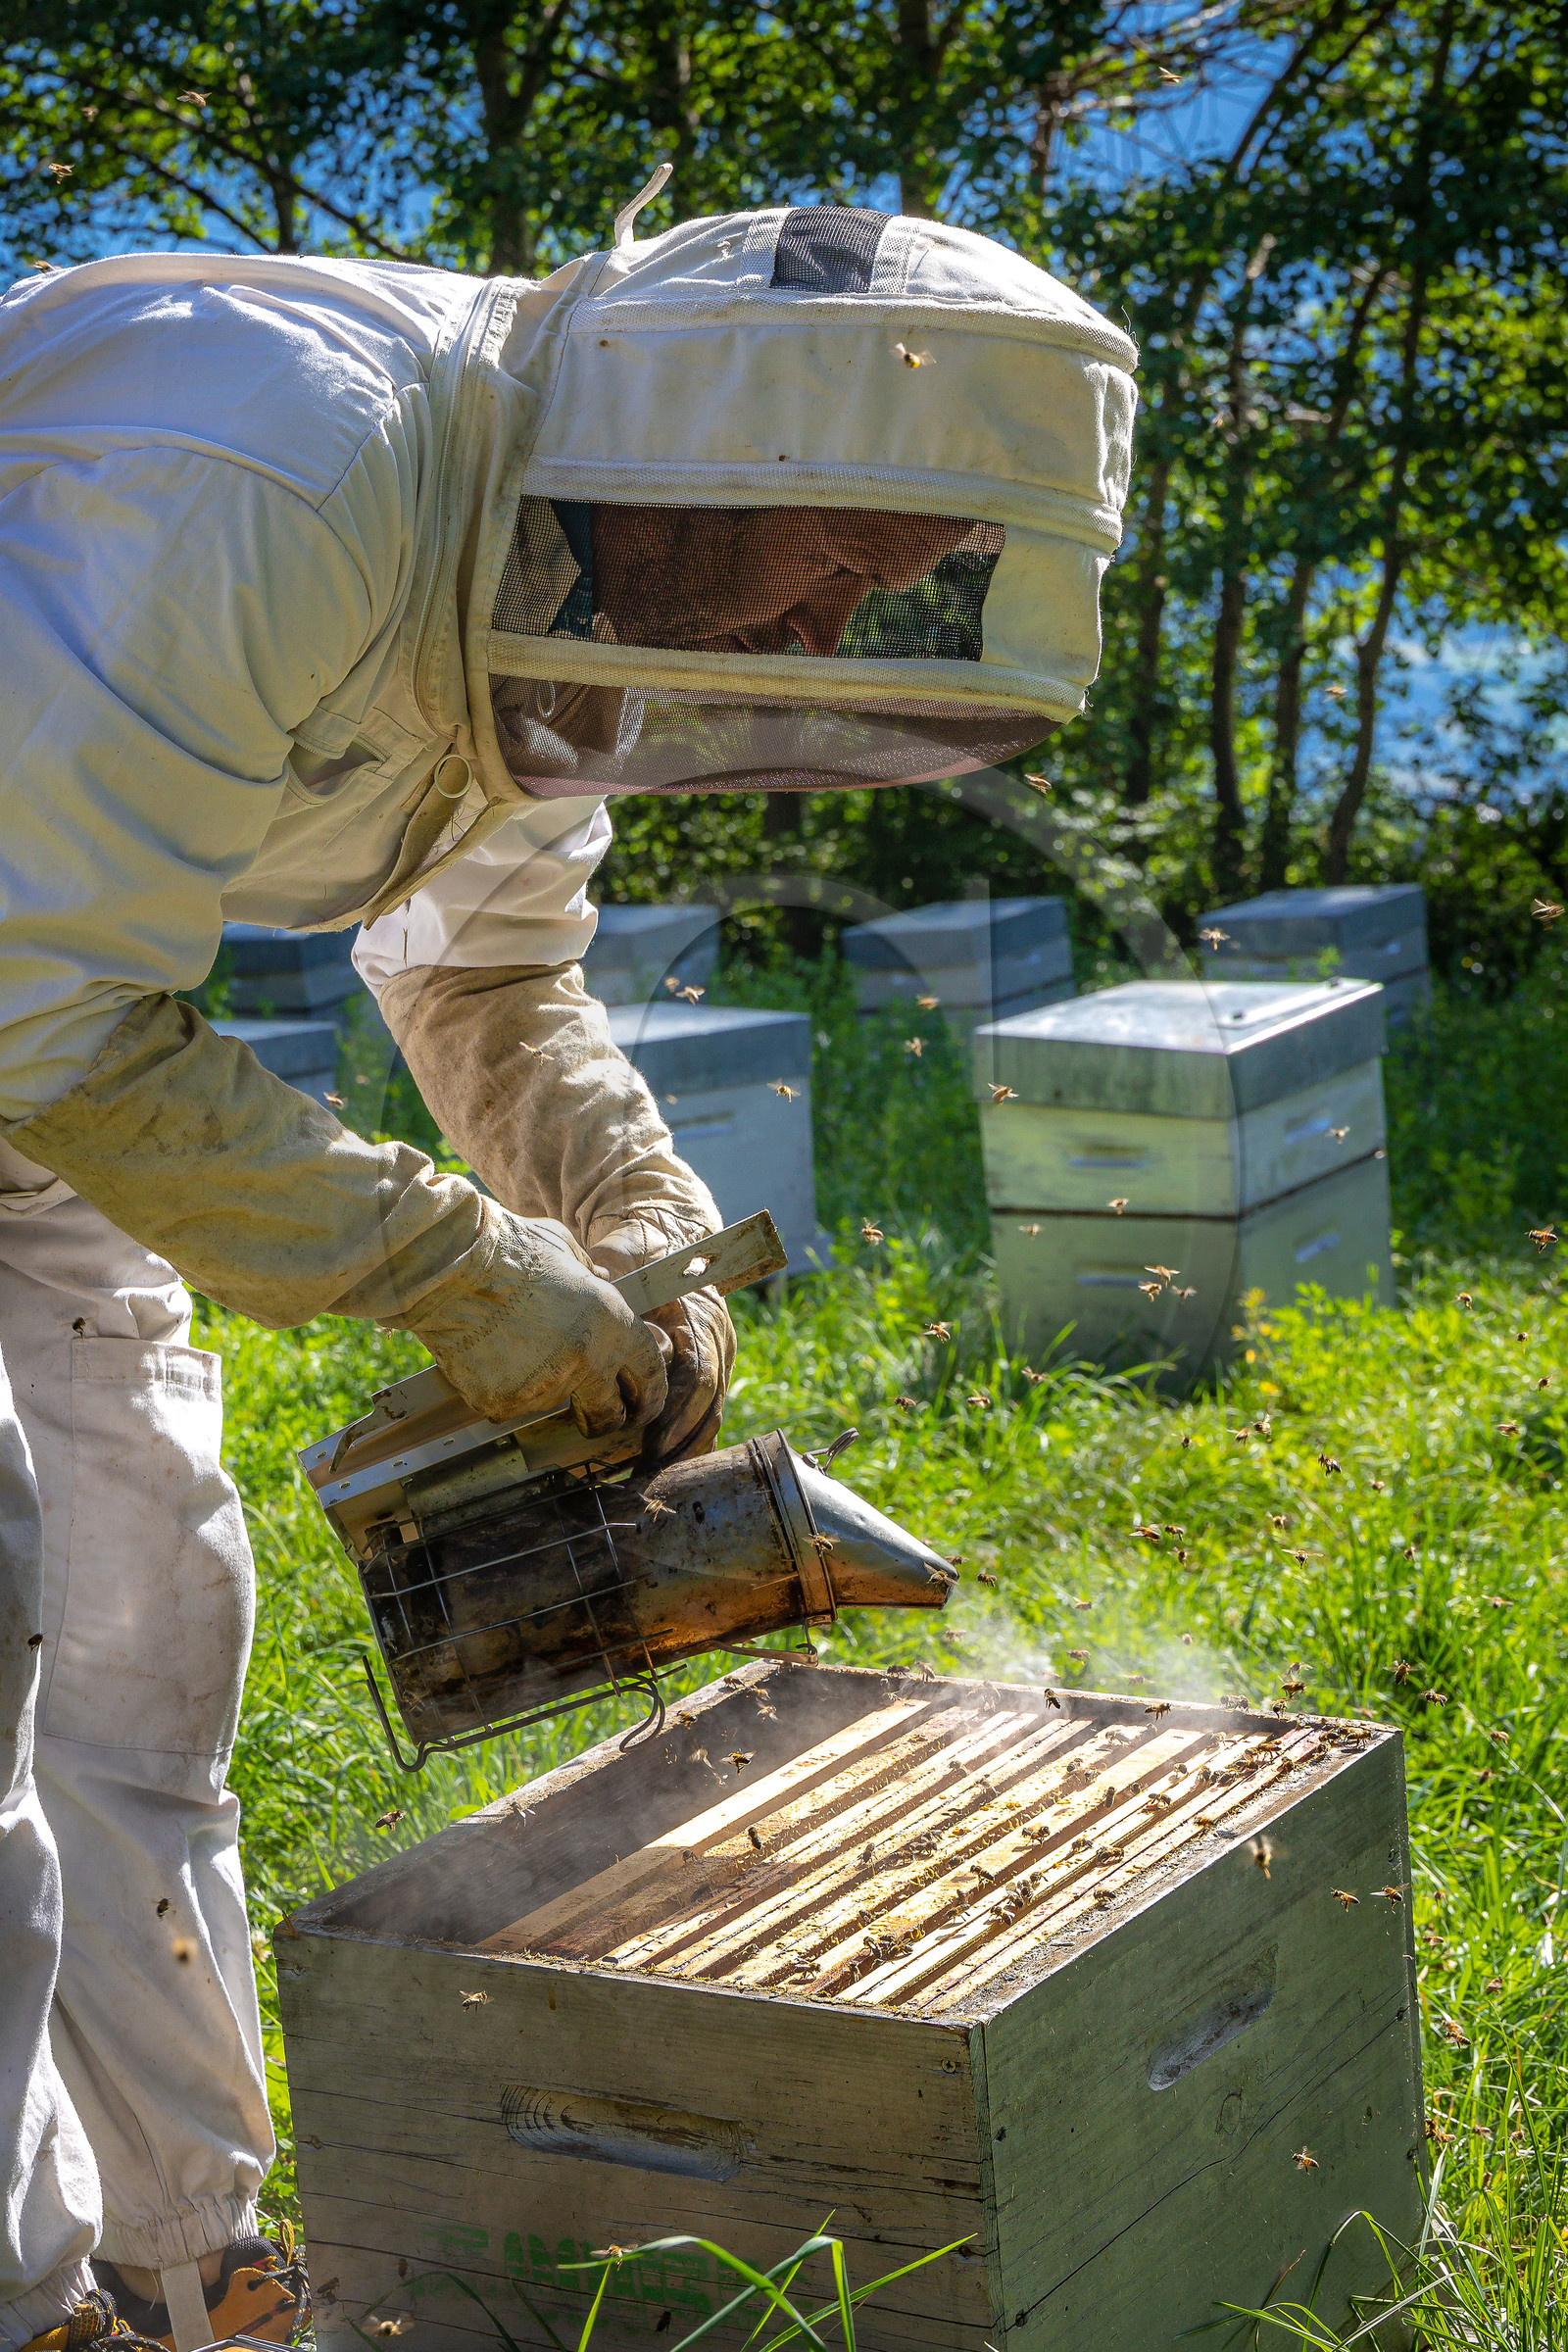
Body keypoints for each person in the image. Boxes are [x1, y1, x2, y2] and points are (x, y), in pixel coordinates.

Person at [0, 198, 1136, 2352]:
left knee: (144, 1644)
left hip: (44, 1048)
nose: (816, 642)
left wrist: (619, 1212)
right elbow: (34, 1002)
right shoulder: (274, 465)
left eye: (884, 605)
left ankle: (177, 2259)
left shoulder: (562, 578)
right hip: (30, 1010)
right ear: (713, 461)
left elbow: (488, 961)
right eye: (824, 568)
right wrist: (446, 1267)